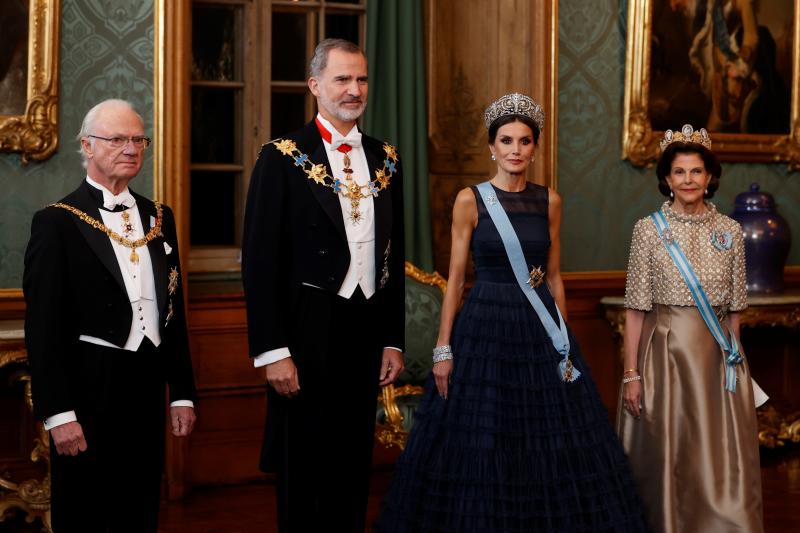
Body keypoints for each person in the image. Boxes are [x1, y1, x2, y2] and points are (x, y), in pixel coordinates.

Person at [377, 93, 649, 532]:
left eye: (524, 141)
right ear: (492, 146)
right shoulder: (470, 200)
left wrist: (565, 344)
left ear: (535, 148)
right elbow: (457, 278)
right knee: (485, 435)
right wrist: (443, 347)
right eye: (506, 140)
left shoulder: (550, 201)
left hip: (540, 326)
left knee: (547, 436)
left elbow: (556, 275)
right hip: (485, 324)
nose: (515, 150)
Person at [241, 38, 405, 532]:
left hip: (364, 326)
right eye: (342, 79)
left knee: (353, 464)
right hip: (305, 329)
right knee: (302, 465)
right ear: (315, 86)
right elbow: (260, 260)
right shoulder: (281, 156)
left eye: (361, 79)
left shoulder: (386, 158)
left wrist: (392, 337)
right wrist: (273, 351)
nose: (354, 90)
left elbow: (393, 256)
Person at [23, 98, 197, 532]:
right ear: (87, 145)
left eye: (139, 139)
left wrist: (182, 392)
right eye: (117, 139)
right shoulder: (56, 222)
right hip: (88, 385)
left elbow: (172, 310)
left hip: (146, 380)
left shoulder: (160, 217)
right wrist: (59, 414)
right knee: (85, 510)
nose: (131, 148)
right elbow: (43, 328)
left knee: (138, 507)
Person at [617, 124, 764, 532]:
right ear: (666, 178)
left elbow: (735, 310)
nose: (688, 180)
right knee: (671, 452)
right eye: (679, 172)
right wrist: (632, 373)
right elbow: (635, 309)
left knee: (717, 452)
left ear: (710, 176)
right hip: (664, 353)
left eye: (696, 171)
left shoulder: (731, 232)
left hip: (719, 356)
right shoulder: (648, 230)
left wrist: (735, 361)